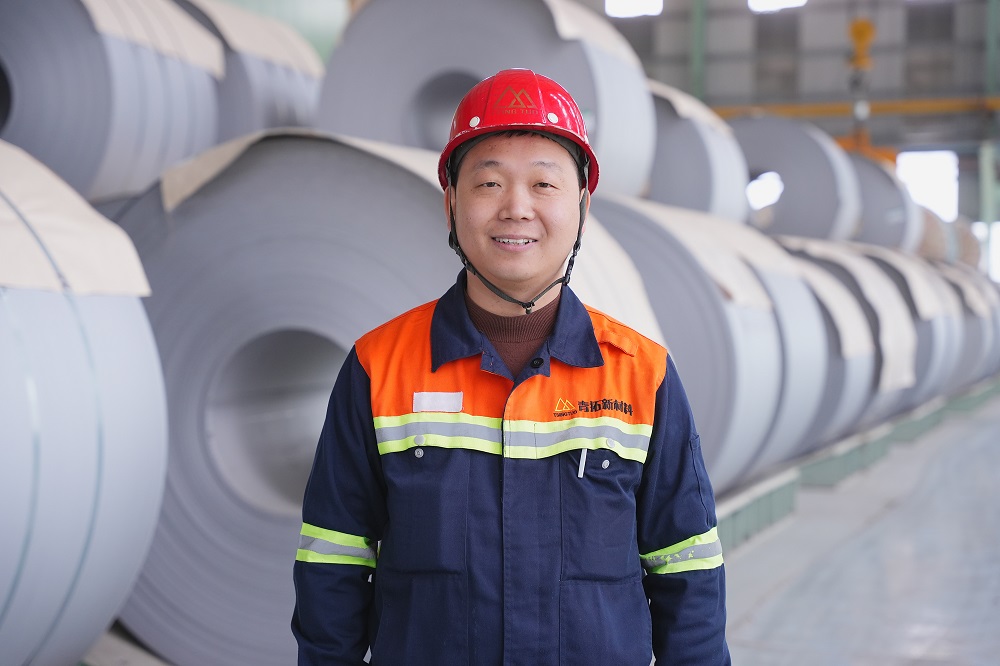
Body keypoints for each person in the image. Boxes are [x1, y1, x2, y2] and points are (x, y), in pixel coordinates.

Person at [292, 68, 730, 665]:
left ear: (582, 206)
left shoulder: (641, 376)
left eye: (544, 184)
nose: (517, 208)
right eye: (489, 183)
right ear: (451, 204)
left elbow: (689, 573)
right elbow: (332, 565)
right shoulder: (379, 368)